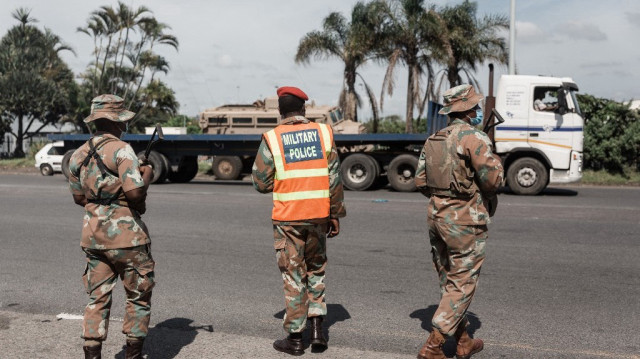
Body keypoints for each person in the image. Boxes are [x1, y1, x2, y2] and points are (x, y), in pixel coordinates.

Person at [252, 86, 346, 356]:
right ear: (304, 110)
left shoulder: (272, 138)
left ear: (280, 112)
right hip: (319, 215)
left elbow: (260, 182)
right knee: (316, 269)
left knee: (293, 275)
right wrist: (335, 214)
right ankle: (317, 331)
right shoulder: (324, 132)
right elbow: (334, 179)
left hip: (288, 217)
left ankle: (295, 338)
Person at [414, 84, 504, 359]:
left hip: (437, 215)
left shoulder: (433, 139)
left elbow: (420, 181)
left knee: (449, 279)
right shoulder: (474, 138)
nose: (478, 111)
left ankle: (463, 340)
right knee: (463, 282)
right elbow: (493, 181)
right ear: (467, 110)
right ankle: (434, 344)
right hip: (466, 219)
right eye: (475, 107)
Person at [68, 94, 155, 359]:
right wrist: (147, 174)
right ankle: (133, 354)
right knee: (137, 297)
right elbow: (135, 194)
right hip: (128, 239)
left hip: (93, 237)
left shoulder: (77, 155)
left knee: (97, 299)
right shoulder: (121, 149)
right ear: (117, 122)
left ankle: (92, 354)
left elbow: (79, 198)